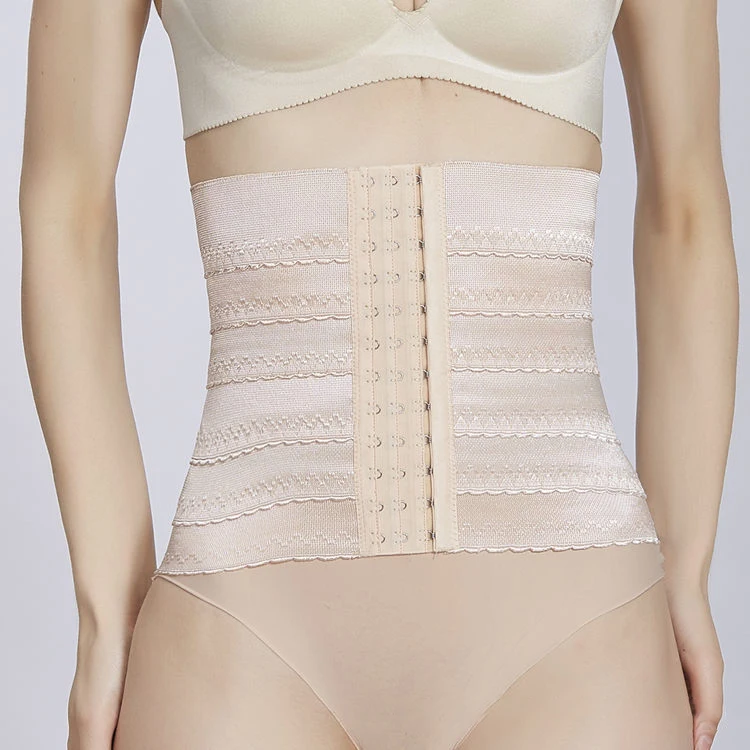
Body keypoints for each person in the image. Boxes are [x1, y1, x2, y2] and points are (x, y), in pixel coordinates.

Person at [19, 1, 738, 749]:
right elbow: (65, 208)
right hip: (243, 621)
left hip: (582, 625)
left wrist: (688, 565)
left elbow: (685, 204)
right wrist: (105, 610)